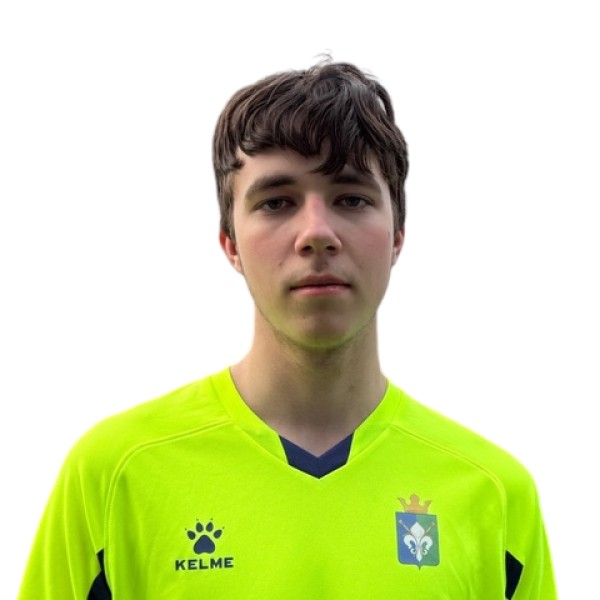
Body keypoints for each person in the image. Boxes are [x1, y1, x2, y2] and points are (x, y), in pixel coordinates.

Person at [19, 60, 556, 599]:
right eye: (276, 202)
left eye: (352, 198)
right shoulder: (114, 476)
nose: (316, 233)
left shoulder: (495, 495)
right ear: (231, 244)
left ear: (397, 235)